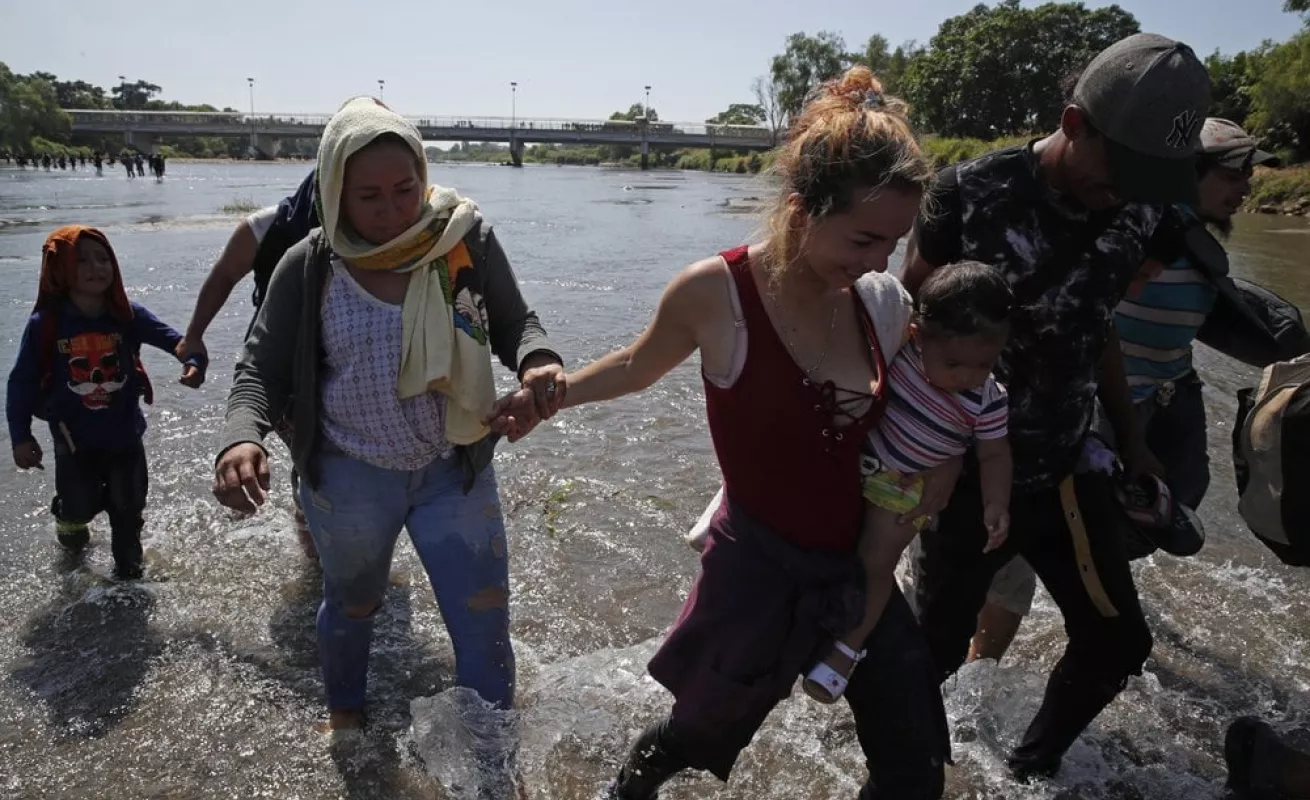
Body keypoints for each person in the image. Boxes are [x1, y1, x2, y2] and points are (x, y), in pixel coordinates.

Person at [493, 66, 954, 800]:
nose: (880, 263)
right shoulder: (718, 292)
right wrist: (548, 398)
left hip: (857, 571)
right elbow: (639, 366)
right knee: (699, 737)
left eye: (895, 243)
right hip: (758, 570)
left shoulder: (885, 305)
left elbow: (929, 412)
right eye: (865, 239)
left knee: (915, 762)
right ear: (802, 209)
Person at [900, 33, 1212, 781]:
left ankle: (1027, 769)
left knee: (1116, 640)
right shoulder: (969, 194)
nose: (1128, 193)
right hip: (968, 470)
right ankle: (900, 765)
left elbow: (1097, 319)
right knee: (929, 651)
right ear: (1074, 125)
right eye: (1121, 172)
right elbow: (908, 318)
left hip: (1069, 464)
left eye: (1149, 178)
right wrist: (917, 451)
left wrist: (1133, 440)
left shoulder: (1147, 209)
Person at [212, 97, 563, 732]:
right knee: (352, 605)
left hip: (453, 468)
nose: (393, 210)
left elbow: (516, 322)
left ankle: (493, 759)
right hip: (348, 475)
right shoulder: (310, 263)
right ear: (334, 193)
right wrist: (242, 438)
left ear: (424, 176)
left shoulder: (463, 239)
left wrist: (537, 360)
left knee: (484, 622)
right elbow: (257, 367)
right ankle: (346, 721)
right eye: (368, 196)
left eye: (406, 189)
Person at [967, 117, 1310, 666]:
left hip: (1170, 390)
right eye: (1233, 172)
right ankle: (1030, 610)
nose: (1246, 185)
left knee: (1183, 494)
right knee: (1039, 539)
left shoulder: (1200, 247)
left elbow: (1233, 323)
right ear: (1183, 175)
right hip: (1095, 401)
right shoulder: (1128, 228)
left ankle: (1090, 571)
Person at [801, 261, 1013, 704]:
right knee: (817, 541)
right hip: (851, 464)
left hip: (904, 487)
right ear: (919, 336)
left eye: (983, 364)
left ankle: (845, 651)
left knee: (876, 562)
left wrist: (996, 504)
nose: (967, 376)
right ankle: (800, 621)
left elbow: (994, 453)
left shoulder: (988, 399)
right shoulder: (899, 354)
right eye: (954, 362)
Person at [6, 226, 207, 580]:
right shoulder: (47, 324)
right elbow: (21, 382)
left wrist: (193, 362)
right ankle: (68, 515)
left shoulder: (126, 315)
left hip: (124, 437)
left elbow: (175, 340)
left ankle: (129, 579)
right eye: (81, 259)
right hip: (73, 441)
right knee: (79, 507)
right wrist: (21, 436)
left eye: (103, 258)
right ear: (59, 269)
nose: (95, 266)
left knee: (128, 511)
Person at [181, 167, 319, 557]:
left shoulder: (397, 226)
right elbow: (225, 274)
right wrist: (194, 336)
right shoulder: (267, 226)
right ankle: (315, 561)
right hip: (284, 367)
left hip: (348, 366)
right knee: (312, 463)